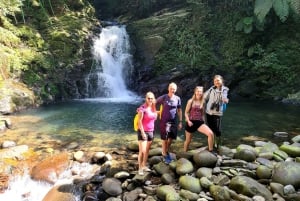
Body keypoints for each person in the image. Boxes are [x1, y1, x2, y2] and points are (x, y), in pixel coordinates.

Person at [156, 82, 183, 164]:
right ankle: (164, 154)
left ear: (176, 90)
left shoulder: (177, 98)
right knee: (165, 138)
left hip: (174, 121)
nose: (173, 90)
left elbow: (179, 110)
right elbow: (153, 102)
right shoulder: (164, 97)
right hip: (164, 121)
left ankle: (166, 150)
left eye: (174, 89)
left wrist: (181, 121)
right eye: (171, 88)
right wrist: (153, 111)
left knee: (171, 137)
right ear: (168, 88)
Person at [184, 86, 215, 153]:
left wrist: (204, 122)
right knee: (188, 140)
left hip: (199, 123)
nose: (199, 93)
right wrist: (188, 121)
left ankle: (211, 150)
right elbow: (186, 113)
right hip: (190, 123)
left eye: (201, 91)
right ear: (195, 92)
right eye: (198, 91)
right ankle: (184, 153)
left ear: (202, 93)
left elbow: (203, 114)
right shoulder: (190, 101)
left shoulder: (203, 102)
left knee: (210, 134)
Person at [204, 75, 229, 150]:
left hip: (217, 113)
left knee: (217, 130)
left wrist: (225, 100)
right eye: (215, 81)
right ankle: (211, 145)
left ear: (222, 81)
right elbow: (204, 97)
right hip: (209, 112)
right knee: (210, 129)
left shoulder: (224, 89)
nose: (216, 82)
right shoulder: (211, 89)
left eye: (218, 80)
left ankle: (218, 146)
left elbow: (224, 97)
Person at [136, 92, 157, 175]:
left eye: (152, 98)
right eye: (149, 98)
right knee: (142, 151)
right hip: (143, 132)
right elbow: (139, 122)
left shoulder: (153, 107)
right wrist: (143, 133)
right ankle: (140, 168)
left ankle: (144, 165)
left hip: (151, 131)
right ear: (146, 98)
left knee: (147, 151)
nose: (150, 100)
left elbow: (154, 117)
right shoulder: (142, 108)